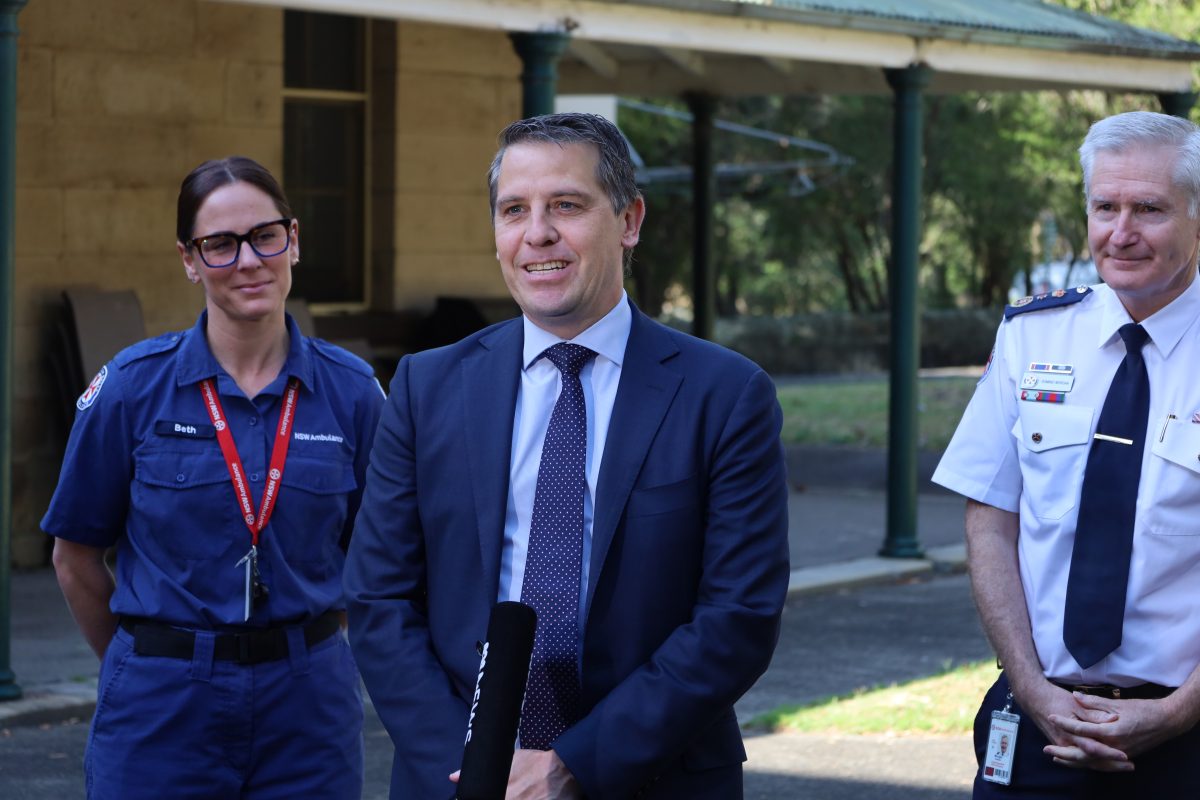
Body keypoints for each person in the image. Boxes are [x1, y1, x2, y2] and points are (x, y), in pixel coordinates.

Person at [344, 112, 790, 799]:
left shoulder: (725, 395)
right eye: (513, 210)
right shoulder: (426, 386)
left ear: (630, 218)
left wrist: (575, 762)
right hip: (459, 777)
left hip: (655, 774)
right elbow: (378, 597)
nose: (537, 233)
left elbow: (737, 616)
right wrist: (474, 767)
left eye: (566, 206)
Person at [43, 156, 385, 799]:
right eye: (220, 246)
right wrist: (141, 664)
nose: (250, 260)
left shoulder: (354, 393)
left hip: (307, 709)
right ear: (189, 260)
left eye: (265, 236)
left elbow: (381, 554)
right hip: (161, 709)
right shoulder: (132, 388)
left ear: (294, 239)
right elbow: (74, 555)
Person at [934, 109, 1200, 797]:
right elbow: (991, 517)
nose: (1121, 232)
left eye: (1149, 209)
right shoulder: (1034, 336)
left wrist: (1178, 710)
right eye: (1104, 206)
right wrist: (1027, 685)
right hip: (1041, 725)